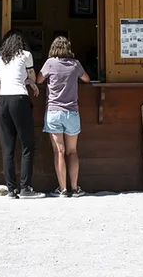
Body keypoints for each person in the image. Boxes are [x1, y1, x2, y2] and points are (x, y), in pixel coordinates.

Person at [38, 34, 91, 197]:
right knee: (72, 151)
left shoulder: (50, 63)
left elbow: (39, 80)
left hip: (54, 112)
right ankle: (75, 188)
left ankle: (62, 189)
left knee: (59, 151)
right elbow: (87, 79)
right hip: (71, 112)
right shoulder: (75, 64)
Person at [0, 29, 41, 198]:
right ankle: (26, 187)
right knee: (27, 144)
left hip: (2, 99)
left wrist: (27, 80)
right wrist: (31, 82)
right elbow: (32, 76)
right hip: (19, 98)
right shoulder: (26, 55)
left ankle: (11, 189)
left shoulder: (1, 56)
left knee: (8, 147)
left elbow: (12, 76)